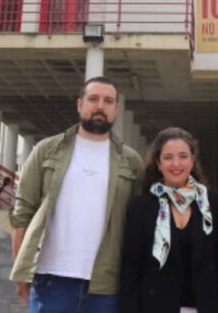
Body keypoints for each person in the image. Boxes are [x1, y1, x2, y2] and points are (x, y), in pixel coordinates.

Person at [9, 76, 144, 312]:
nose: (100, 106)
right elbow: (22, 213)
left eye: (108, 101)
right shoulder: (46, 150)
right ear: (80, 104)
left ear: (116, 109)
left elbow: (140, 225)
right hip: (51, 280)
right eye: (93, 99)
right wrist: (21, 270)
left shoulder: (132, 161)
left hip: (107, 286)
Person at [120, 127, 218, 313]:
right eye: (168, 157)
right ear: (158, 163)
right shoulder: (141, 207)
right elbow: (131, 269)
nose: (176, 163)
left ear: (192, 161)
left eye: (183, 156)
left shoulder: (211, 202)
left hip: (207, 306)